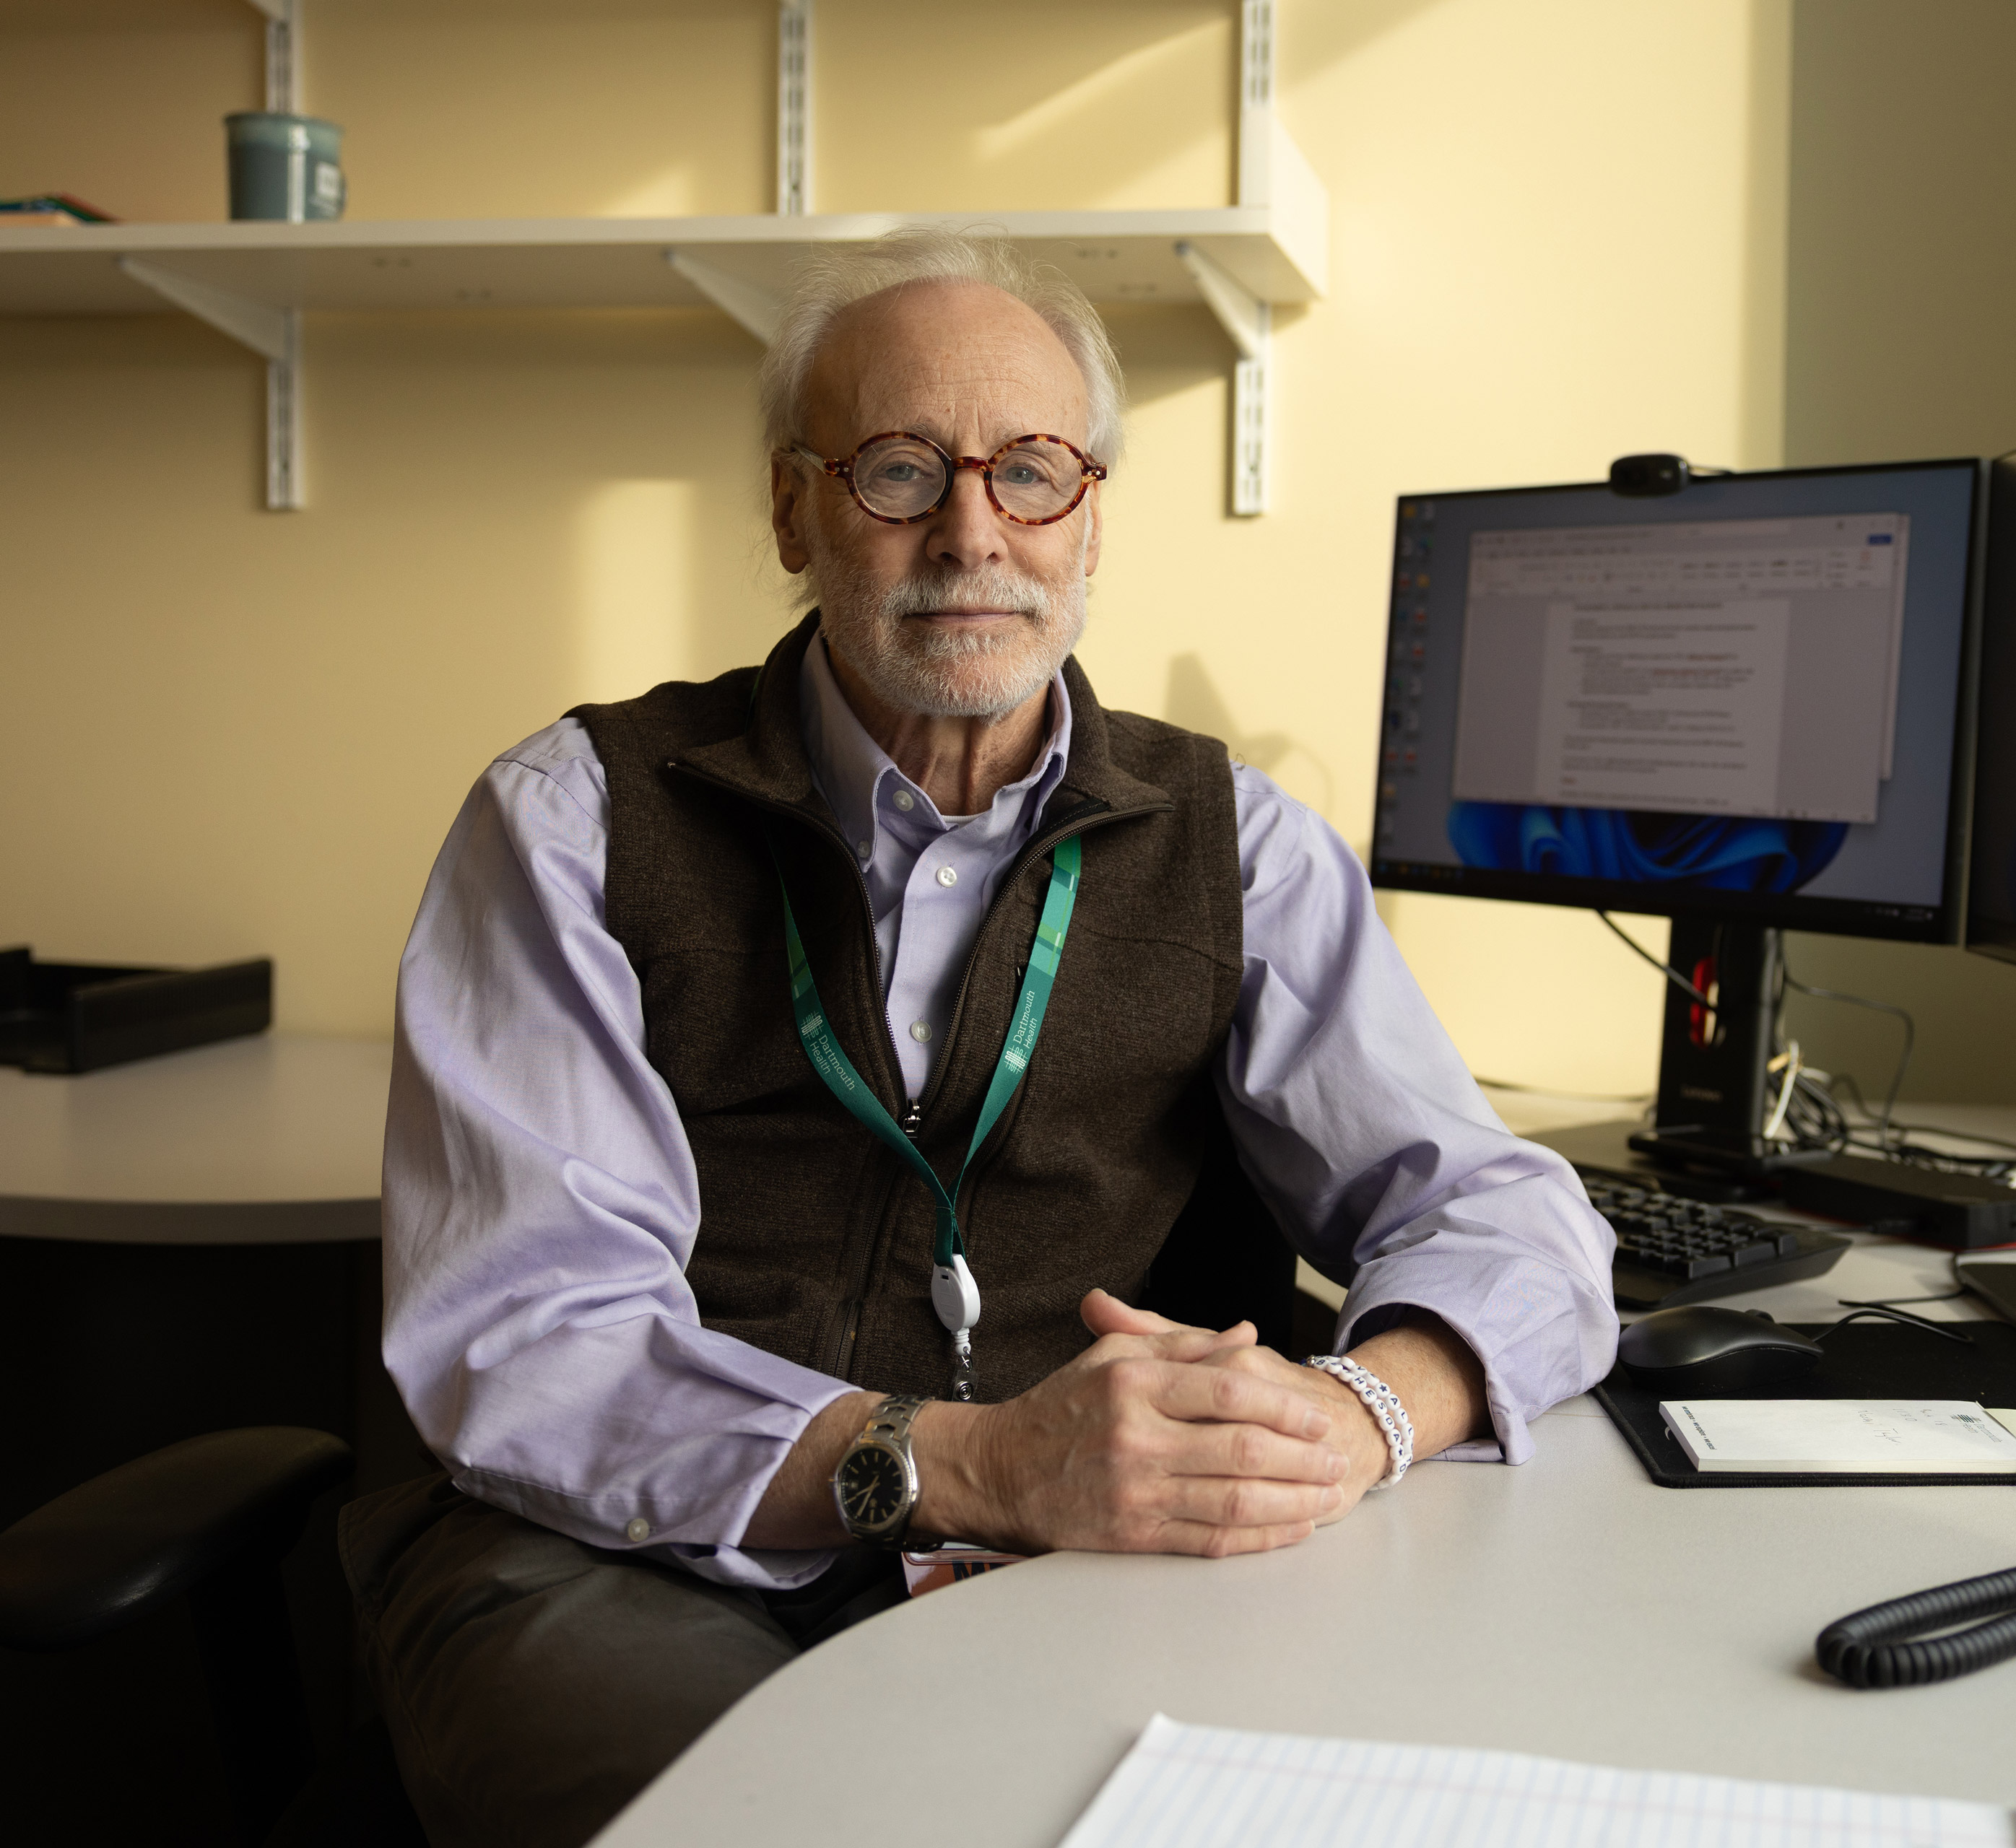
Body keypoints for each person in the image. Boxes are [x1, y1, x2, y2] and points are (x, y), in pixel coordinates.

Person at [344, 228, 1617, 1848]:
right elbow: (532, 1342)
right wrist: (973, 1460)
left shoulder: (1245, 846)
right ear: (794, 510)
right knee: (755, 1821)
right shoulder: (571, 820)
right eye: (896, 471)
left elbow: (1510, 1215)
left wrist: (1363, 1414)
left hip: (1085, 1564)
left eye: (1029, 470)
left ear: (1090, 515)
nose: (972, 533)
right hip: (620, 1553)